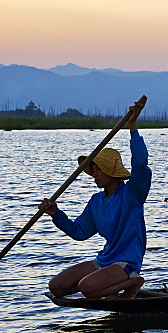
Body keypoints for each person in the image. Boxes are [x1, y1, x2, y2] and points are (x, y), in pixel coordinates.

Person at [39, 98, 151, 299]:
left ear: (111, 172)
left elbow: (141, 165)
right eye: (94, 169)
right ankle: (108, 287)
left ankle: (133, 281)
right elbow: (79, 232)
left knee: (87, 288)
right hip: (105, 260)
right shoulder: (96, 201)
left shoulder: (132, 194)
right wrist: (56, 214)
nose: (94, 174)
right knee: (56, 287)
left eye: (98, 169)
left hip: (126, 262)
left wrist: (132, 126)